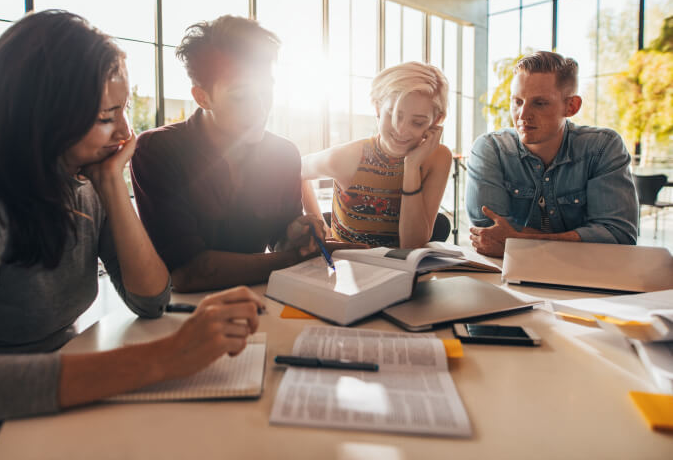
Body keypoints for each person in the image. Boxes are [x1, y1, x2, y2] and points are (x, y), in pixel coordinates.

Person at [0, 10, 264, 459]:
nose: (127, 132)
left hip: (50, 410)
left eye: (124, 109)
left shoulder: (87, 187)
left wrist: (112, 185)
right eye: (107, 115)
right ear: (47, 116)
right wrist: (168, 358)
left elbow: (151, 299)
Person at [131, 15, 344, 293]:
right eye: (241, 96)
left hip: (261, 301)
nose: (260, 109)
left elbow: (279, 239)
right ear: (202, 97)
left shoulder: (283, 154)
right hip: (183, 315)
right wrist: (293, 259)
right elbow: (188, 273)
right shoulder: (157, 151)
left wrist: (295, 234)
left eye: (266, 91)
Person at [466, 50, 638, 258]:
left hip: (586, 279)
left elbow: (619, 236)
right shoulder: (491, 148)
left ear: (571, 106)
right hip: (508, 277)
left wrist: (518, 242)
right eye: (517, 101)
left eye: (539, 103)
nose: (523, 115)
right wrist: (577, 240)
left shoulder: (602, 147)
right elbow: (488, 235)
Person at [301, 62, 452, 248]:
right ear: (379, 108)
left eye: (418, 122)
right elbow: (297, 170)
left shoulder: (437, 158)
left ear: (435, 121)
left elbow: (412, 245)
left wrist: (412, 167)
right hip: (349, 270)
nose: (401, 130)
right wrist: (322, 230)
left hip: (405, 271)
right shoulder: (347, 158)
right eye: (394, 115)